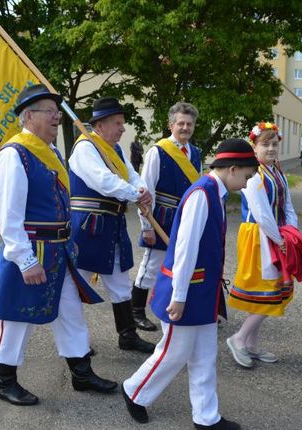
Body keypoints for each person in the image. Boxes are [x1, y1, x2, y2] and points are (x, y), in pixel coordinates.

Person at [0, 84, 117, 406]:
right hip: (31, 252)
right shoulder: (13, 156)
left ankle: (81, 374)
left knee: (70, 312)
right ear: (28, 116)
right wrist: (25, 260)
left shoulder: (51, 152)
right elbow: (10, 217)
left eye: (57, 112)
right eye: (50, 111)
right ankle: (4, 381)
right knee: (17, 318)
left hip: (59, 251)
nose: (57, 116)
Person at [122, 139, 259, 430]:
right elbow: (184, 250)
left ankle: (206, 417)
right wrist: (180, 296)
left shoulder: (215, 193)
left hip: (202, 292)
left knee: (205, 356)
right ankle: (134, 390)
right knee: (174, 351)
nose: (246, 184)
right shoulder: (202, 194)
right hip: (186, 291)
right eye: (247, 177)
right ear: (232, 169)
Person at [69, 96, 155, 353]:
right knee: (77, 286)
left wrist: (142, 189)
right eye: (117, 123)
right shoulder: (85, 148)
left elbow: (132, 174)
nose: (122, 128)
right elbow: (103, 181)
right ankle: (77, 343)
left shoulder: (115, 150)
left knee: (119, 281)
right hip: (88, 227)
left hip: (112, 224)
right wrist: (135, 194)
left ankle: (127, 335)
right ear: (101, 124)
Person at [226, 122, 299, 368]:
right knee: (268, 292)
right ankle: (238, 338)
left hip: (275, 234)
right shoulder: (254, 175)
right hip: (258, 236)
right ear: (254, 147)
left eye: (274, 144)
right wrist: (281, 240)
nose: (270, 149)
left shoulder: (276, 172)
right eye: (264, 144)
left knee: (269, 290)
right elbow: (261, 213)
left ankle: (250, 345)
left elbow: (286, 205)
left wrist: (292, 233)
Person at [133, 101, 202, 332]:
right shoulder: (158, 151)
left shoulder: (197, 154)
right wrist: (147, 225)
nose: (185, 127)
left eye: (189, 124)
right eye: (180, 123)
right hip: (161, 216)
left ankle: (172, 306)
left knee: (181, 264)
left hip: (184, 218)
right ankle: (136, 312)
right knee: (152, 265)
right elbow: (146, 189)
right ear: (171, 125)